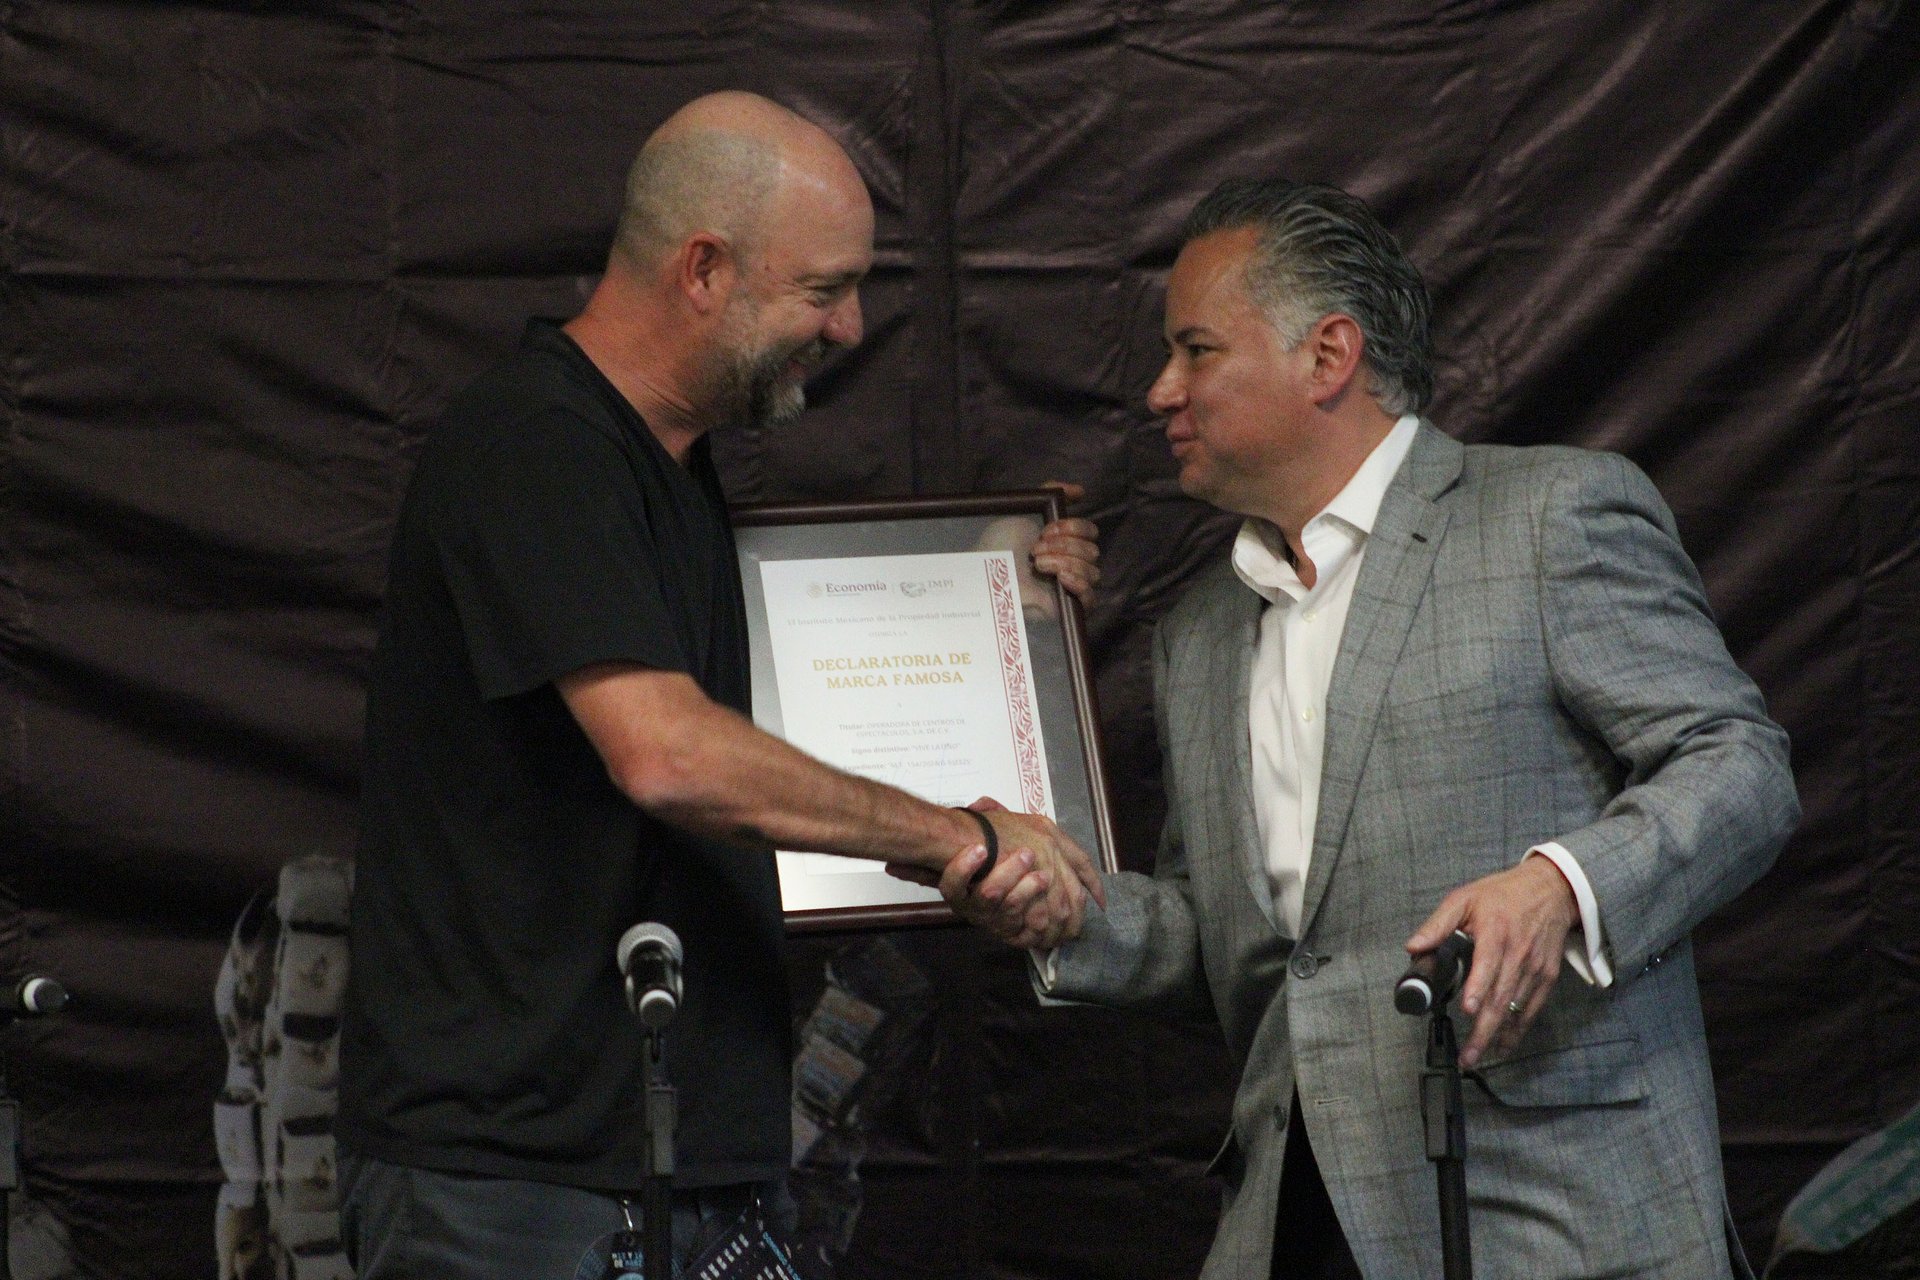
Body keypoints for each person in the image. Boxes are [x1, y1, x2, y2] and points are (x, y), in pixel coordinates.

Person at [938, 178, 1800, 1278]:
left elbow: (1743, 765)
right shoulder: (1197, 634)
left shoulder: (1550, 515)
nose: (1160, 391)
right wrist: (1054, 907)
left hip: (1558, 1220)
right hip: (1291, 1223)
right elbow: (1225, 938)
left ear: (1328, 355)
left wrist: (1561, 886)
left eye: (1196, 350)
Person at [334, 91, 1103, 1280]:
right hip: (519, 1181)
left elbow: (770, 735)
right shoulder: (537, 442)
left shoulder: (668, 472)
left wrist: (1012, 602)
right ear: (702, 269)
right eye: (824, 289)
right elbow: (673, 753)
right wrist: (963, 834)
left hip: (671, 1157)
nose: (850, 327)